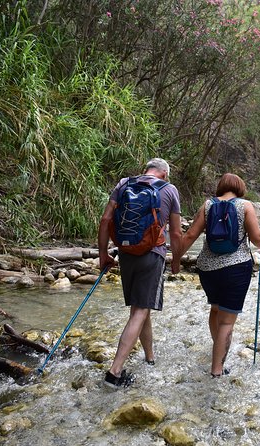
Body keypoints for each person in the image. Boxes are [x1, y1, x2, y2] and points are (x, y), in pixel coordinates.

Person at [98, 158, 182, 388]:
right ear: (164, 174)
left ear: (147, 169)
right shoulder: (169, 189)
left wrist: (103, 255)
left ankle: (150, 356)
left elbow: (105, 219)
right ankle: (114, 373)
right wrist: (176, 259)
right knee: (140, 310)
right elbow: (175, 233)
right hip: (152, 254)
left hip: (126, 252)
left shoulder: (124, 183)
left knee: (141, 307)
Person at [175, 173, 260, 377]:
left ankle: (216, 350)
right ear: (240, 188)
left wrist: (175, 260)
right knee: (227, 321)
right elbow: (256, 239)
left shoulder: (207, 206)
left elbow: (190, 235)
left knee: (216, 310)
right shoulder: (245, 206)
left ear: (221, 187)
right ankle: (217, 369)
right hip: (235, 268)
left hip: (207, 268)